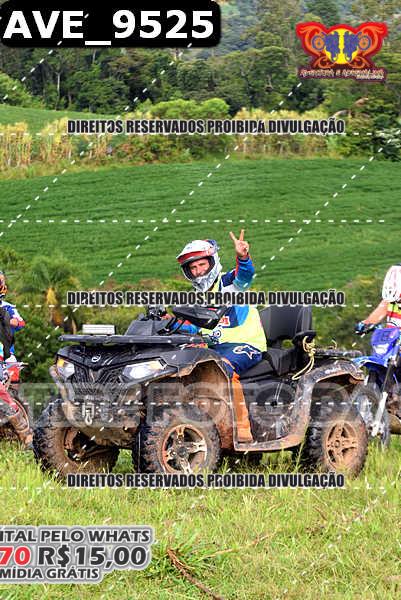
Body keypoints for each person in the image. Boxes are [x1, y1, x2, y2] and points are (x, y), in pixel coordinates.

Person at [175, 231, 267, 442]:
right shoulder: (197, 297)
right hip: (215, 348)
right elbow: (193, 328)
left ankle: (241, 429)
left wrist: (243, 257)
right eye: (193, 268)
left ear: (212, 262)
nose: (198, 271)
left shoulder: (229, 283)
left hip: (245, 344)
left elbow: (245, 275)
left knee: (222, 368)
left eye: (202, 265)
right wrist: (169, 324)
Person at [355, 264, 401, 419]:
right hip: (391, 342)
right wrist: (365, 324)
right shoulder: (390, 299)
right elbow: (377, 314)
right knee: (378, 363)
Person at [0, 306, 33, 448]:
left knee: (2, 395)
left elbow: (20, 323)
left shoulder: (6, 310)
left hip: (5, 358)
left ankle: (26, 434)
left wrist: (12, 321)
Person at [0, 271, 25, 362]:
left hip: (6, 353)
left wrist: (13, 321)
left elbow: (21, 323)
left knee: (11, 363)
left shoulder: (8, 307)